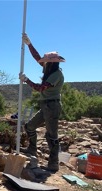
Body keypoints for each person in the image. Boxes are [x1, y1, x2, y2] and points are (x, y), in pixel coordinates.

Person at [19, 33, 65, 172]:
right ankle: (32, 149)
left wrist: (26, 80)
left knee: (51, 135)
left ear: (51, 62)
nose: (43, 63)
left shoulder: (56, 74)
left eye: (46, 61)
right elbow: (37, 58)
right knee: (30, 126)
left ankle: (53, 163)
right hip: (46, 105)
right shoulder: (49, 69)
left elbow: (40, 88)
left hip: (52, 106)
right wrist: (29, 44)